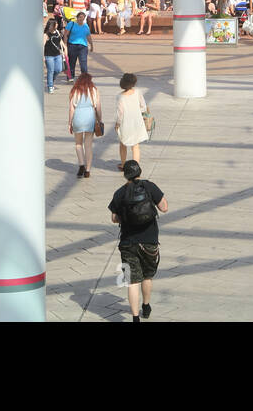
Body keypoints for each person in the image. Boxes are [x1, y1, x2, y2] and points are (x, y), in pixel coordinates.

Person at [108, 160, 167, 322]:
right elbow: (164, 207)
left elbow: (114, 218)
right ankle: (146, 306)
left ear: (125, 175)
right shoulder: (150, 187)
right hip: (150, 240)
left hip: (127, 243)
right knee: (147, 276)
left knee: (131, 281)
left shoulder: (120, 193)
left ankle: (135, 317)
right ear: (140, 171)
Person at [68, 73, 101, 178]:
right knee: (88, 145)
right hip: (90, 118)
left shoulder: (74, 90)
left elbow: (71, 108)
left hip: (78, 117)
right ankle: (87, 170)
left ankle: (81, 164)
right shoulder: (94, 90)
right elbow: (98, 108)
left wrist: (70, 122)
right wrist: (100, 119)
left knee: (78, 144)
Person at [115, 72, 149, 171]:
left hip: (125, 123)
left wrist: (117, 124)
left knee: (123, 144)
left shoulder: (120, 97)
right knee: (136, 146)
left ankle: (123, 164)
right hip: (137, 121)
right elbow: (143, 106)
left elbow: (120, 113)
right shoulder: (137, 92)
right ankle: (135, 167)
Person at [66, 11, 92, 76]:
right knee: (72, 63)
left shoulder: (86, 26)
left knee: (83, 64)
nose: (81, 19)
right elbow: (66, 35)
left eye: (83, 18)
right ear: (77, 18)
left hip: (83, 47)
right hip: (72, 46)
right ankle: (70, 76)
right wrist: (65, 46)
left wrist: (91, 45)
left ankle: (84, 78)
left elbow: (88, 36)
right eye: (80, 17)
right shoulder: (71, 24)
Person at [43, 17, 65, 93]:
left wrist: (64, 48)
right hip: (49, 56)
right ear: (52, 25)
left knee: (59, 69)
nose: (57, 25)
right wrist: (43, 56)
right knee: (51, 70)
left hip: (57, 54)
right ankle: (50, 86)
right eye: (56, 24)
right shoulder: (46, 34)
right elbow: (42, 45)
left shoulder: (57, 32)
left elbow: (60, 41)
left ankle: (51, 79)